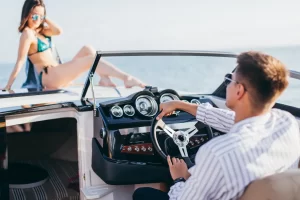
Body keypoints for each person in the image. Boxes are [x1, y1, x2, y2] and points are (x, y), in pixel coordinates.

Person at [133, 51, 300, 200]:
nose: (227, 84)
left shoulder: (218, 153)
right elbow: (232, 120)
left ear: (239, 90)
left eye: (230, 80)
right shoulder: (288, 124)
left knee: (142, 194)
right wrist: (182, 105)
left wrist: (180, 178)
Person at [1, 0, 145, 91]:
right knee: (90, 61)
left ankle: (104, 78)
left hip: (57, 72)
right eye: (34, 16)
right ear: (26, 14)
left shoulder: (41, 31)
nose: (37, 20)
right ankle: (126, 78)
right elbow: (20, 61)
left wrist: (43, 15)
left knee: (87, 49)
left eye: (41, 17)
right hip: (49, 76)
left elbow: (58, 31)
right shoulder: (27, 34)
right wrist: (8, 86)